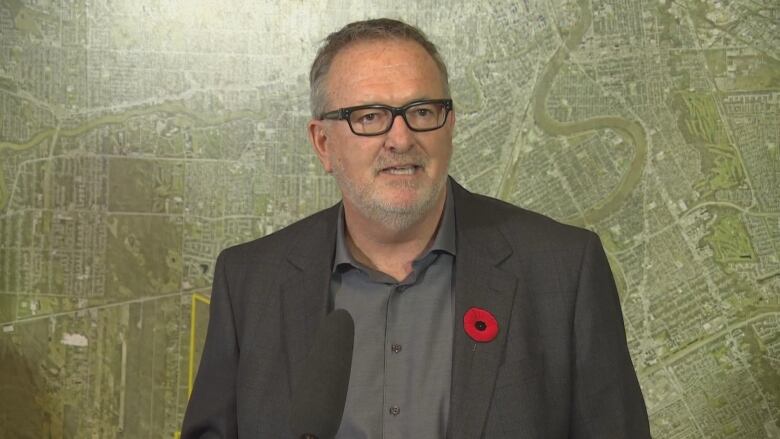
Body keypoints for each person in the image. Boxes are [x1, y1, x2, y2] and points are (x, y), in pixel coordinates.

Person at [181, 18, 651, 438]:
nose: (401, 138)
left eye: (422, 112)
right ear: (323, 143)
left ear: (450, 126)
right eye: (369, 117)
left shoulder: (564, 270)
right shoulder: (249, 280)